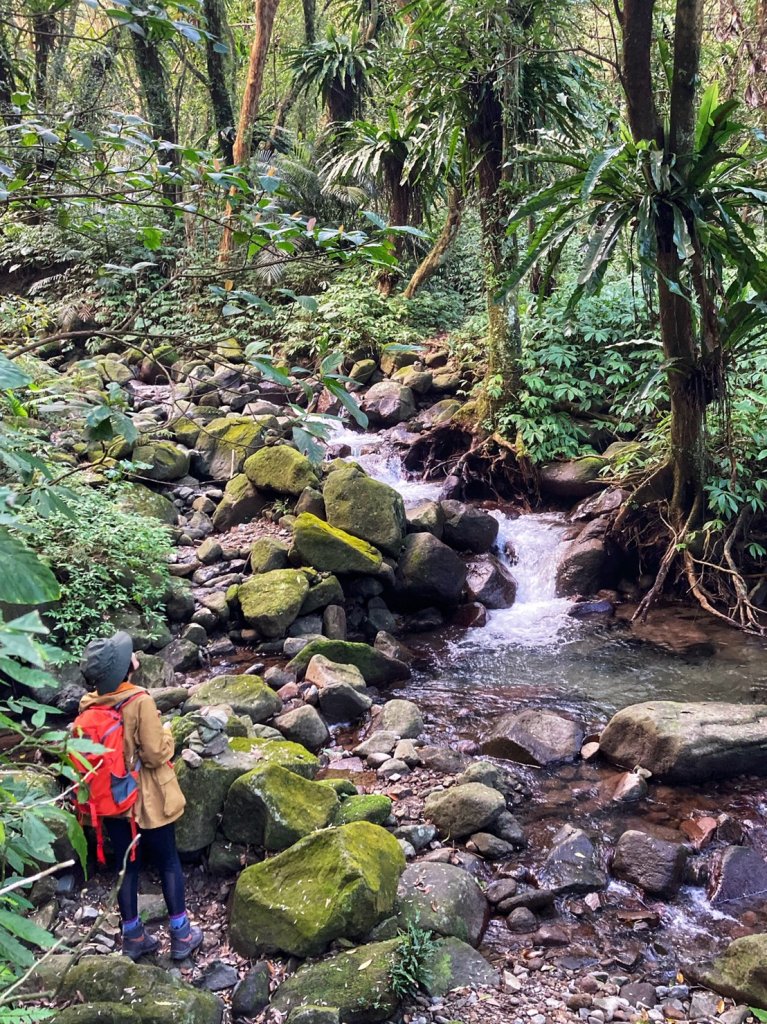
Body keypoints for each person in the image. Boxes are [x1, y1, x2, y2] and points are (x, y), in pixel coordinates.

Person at [78, 630, 203, 961]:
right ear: (125, 669)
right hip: (148, 800)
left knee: (126, 867)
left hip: (114, 801)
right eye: (129, 654)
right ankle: (182, 935)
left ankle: (132, 936)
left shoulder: (89, 703)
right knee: (168, 861)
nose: (134, 654)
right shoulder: (140, 701)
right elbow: (154, 755)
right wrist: (168, 733)